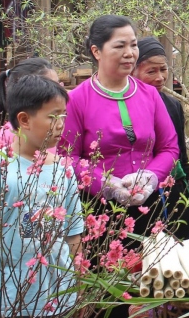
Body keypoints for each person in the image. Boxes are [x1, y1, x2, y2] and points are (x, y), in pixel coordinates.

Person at [0, 75, 83, 318]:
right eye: (53, 116)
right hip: (6, 301)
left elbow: (73, 237)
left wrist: (81, 289)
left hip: (59, 299)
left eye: (63, 117)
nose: (61, 125)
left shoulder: (63, 170)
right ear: (24, 119)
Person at [59, 16, 178, 233]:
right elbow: (67, 157)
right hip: (97, 209)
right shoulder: (77, 99)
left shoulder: (150, 94)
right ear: (97, 51)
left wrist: (149, 177)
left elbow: (170, 148)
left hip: (148, 205)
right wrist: (107, 184)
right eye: (120, 46)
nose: (130, 53)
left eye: (133, 45)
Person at [133, 37, 189, 240]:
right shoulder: (127, 107)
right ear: (132, 72)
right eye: (151, 71)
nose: (160, 77)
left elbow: (181, 157)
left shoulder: (172, 106)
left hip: (173, 194)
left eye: (163, 69)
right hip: (138, 197)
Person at [0, 57, 60, 151]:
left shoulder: (49, 130)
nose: (58, 93)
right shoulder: (7, 136)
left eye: (58, 86)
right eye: (51, 88)